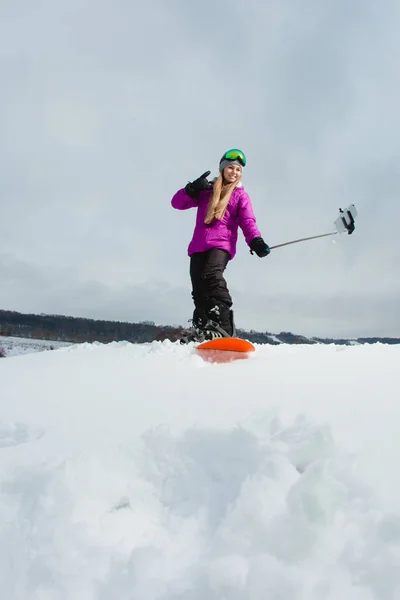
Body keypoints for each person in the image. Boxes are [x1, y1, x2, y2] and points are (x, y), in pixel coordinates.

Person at [171, 148, 270, 343]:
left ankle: (224, 325)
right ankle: (203, 327)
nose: (234, 172)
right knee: (198, 287)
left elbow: (248, 221)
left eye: (238, 170)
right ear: (222, 168)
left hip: (221, 244)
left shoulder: (240, 196)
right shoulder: (206, 191)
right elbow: (177, 203)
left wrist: (255, 240)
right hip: (198, 245)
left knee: (212, 276)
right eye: (231, 167)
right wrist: (190, 189)